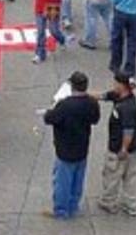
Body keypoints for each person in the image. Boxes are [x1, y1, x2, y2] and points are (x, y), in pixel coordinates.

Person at [41, 71, 100, 218]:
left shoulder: (64, 105)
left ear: (72, 86)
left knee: (62, 182)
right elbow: (95, 119)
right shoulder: (92, 103)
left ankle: (61, 210)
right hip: (82, 146)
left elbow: (49, 118)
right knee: (77, 179)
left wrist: (50, 110)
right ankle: (73, 205)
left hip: (65, 149)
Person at [95, 73, 136, 216]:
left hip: (120, 148)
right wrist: (83, 94)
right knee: (130, 176)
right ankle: (130, 204)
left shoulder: (128, 107)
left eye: (115, 82)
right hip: (135, 146)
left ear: (122, 85)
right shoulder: (119, 96)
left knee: (112, 174)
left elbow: (128, 130)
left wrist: (123, 149)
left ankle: (108, 202)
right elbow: (102, 96)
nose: (113, 85)